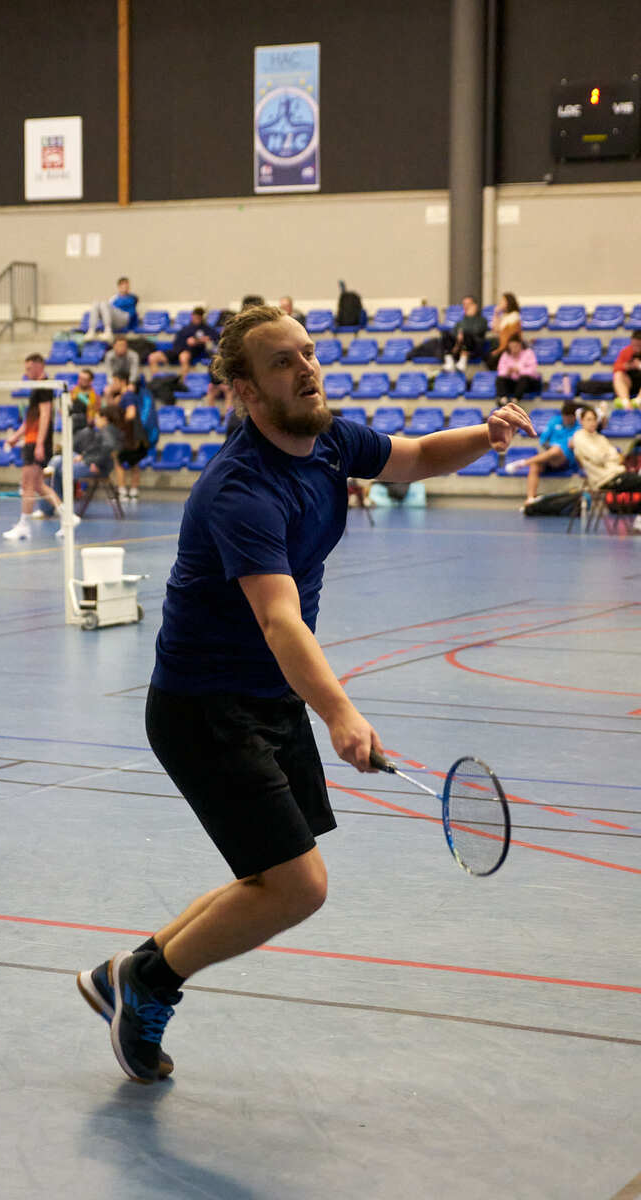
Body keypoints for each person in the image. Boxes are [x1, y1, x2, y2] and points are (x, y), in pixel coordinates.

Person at [75, 304, 533, 1084]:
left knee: (268, 878)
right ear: (249, 391)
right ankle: (149, 984)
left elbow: (417, 455)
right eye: (283, 362)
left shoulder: (331, 441)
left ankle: (132, 973)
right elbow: (279, 619)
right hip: (204, 707)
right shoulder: (240, 489)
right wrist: (341, 713)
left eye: (309, 353)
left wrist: (483, 437)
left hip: (268, 696)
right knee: (297, 886)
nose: (307, 369)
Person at [2, 354, 80, 540]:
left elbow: (45, 416)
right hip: (32, 440)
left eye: (29, 368)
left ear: (39, 366)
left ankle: (23, 525)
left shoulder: (44, 387)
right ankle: (68, 517)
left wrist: (39, 444)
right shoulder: (37, 388)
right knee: (38, 485)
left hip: (35, 442)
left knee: (27, 484)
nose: (26, 372)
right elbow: (31, 420)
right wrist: (15, 438)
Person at [572, 405, 641, 532]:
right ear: (581, 421)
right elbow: (598, 458)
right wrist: (608, 456)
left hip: (617, 473)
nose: (592, 423)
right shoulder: (579, 438)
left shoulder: (600, 438)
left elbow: (617, 457)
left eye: (594, 419)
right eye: (588, 419)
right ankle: (639, 521)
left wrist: (607, 456)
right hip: (604, 479)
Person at [504, 399, 580, 508]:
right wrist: (551, 448)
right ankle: (530, 499)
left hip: (567, 461)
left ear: (574, 417)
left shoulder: (579, 427)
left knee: (556, 450)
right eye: (565, 416)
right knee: (535, 465)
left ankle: (523, 463)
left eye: (570, 417)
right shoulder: (555, 421)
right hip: (550, 457)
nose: (567, 419)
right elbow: (543, 441)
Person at [50, 406, 118, 508]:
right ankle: (58, 504)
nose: (95, 420)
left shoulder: (108, 431)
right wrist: (83, 456)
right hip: (89, 460)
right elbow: (95, 450)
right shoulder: (102, 431)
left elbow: (108, 449)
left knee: (60, 470)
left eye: (97, 418)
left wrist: (95, 463)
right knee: (58, 461)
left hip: (96, 466)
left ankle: (59, 504)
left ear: (105, 418)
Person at [105, 378, 149, 500]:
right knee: (134, 462)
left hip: (130, 436)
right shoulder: (125, 396)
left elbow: (131, 413)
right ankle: (133, 491)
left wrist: (120, 424)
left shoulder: (128, 396)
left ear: (122, 381)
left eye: (115, 382)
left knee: (119, 461)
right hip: (136, 436)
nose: (113, 384)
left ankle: (122, 491)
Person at [147, 307, 219, 374]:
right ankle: (157, 379)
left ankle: (183, 381)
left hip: (191, 351)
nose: (197, 319)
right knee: (152, 357)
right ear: (192, 316)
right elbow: (177, 342)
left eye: (199, 317)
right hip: (176, 350)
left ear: (202, 317)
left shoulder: (205, 328)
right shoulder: (185, 328)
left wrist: (198, 341)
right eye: (195, 317)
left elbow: (216, 336)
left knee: (183, 356)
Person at [441, 295, 488, 371]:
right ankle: (449, 361)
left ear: (475, 306)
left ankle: (463, 361)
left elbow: (477, 331)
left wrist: (470, 317)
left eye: (468, 304)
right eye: (464, 304)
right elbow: (454, 332)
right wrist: (458, 339)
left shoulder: (482, 320)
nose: (466, 306)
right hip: (459, 346)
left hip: (473, 348)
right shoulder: (461, 321)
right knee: (445, 333)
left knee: (466, 334)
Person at [496, 335, 540, 405]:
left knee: (524, 378)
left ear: (520, 345)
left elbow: (532, 371)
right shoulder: (505, 354)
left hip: (527, 384)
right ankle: (503, 399)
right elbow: (500, 371)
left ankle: (515, 400)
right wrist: (507, 372)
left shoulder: (528, 353)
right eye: (511, 347)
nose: (513, 349)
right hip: (512, 383)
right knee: (500, 379)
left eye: (515, 346)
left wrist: (519, 370)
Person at [485, 292, 522, 369]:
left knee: (491, 359)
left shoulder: (514, 316)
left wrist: (499, 350)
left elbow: (508, 338)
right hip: (502, 345)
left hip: (508, 347)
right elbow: (495, 329)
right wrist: (496, 313)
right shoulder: (504, 316)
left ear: (508, 302)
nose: (500, 303)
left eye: (502, 301)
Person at [612, 329, 641, 410]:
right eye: (634, 345)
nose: (635, 348)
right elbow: (615, 368)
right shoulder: (626, 351)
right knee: (618, 374)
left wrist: (639, 366)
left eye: (638, 346)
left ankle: (639, 401)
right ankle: (625, 402)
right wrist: (626, 366)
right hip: (630, 383)